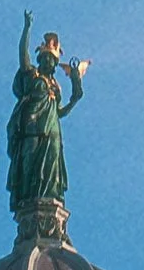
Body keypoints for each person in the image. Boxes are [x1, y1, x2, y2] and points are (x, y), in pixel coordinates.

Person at [6, 16, 87, 232]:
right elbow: (23, 54)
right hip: (32, 131)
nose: (51, 62)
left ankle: (50, 210)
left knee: (51, 174)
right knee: (29, 168)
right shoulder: (32, 76)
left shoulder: (56, 86)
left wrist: (74, 98)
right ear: (41, 59)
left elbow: (59, 112)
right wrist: (26, 28)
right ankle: (29, 208)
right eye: (47, 58)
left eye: (53, 59)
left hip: (52, 133)